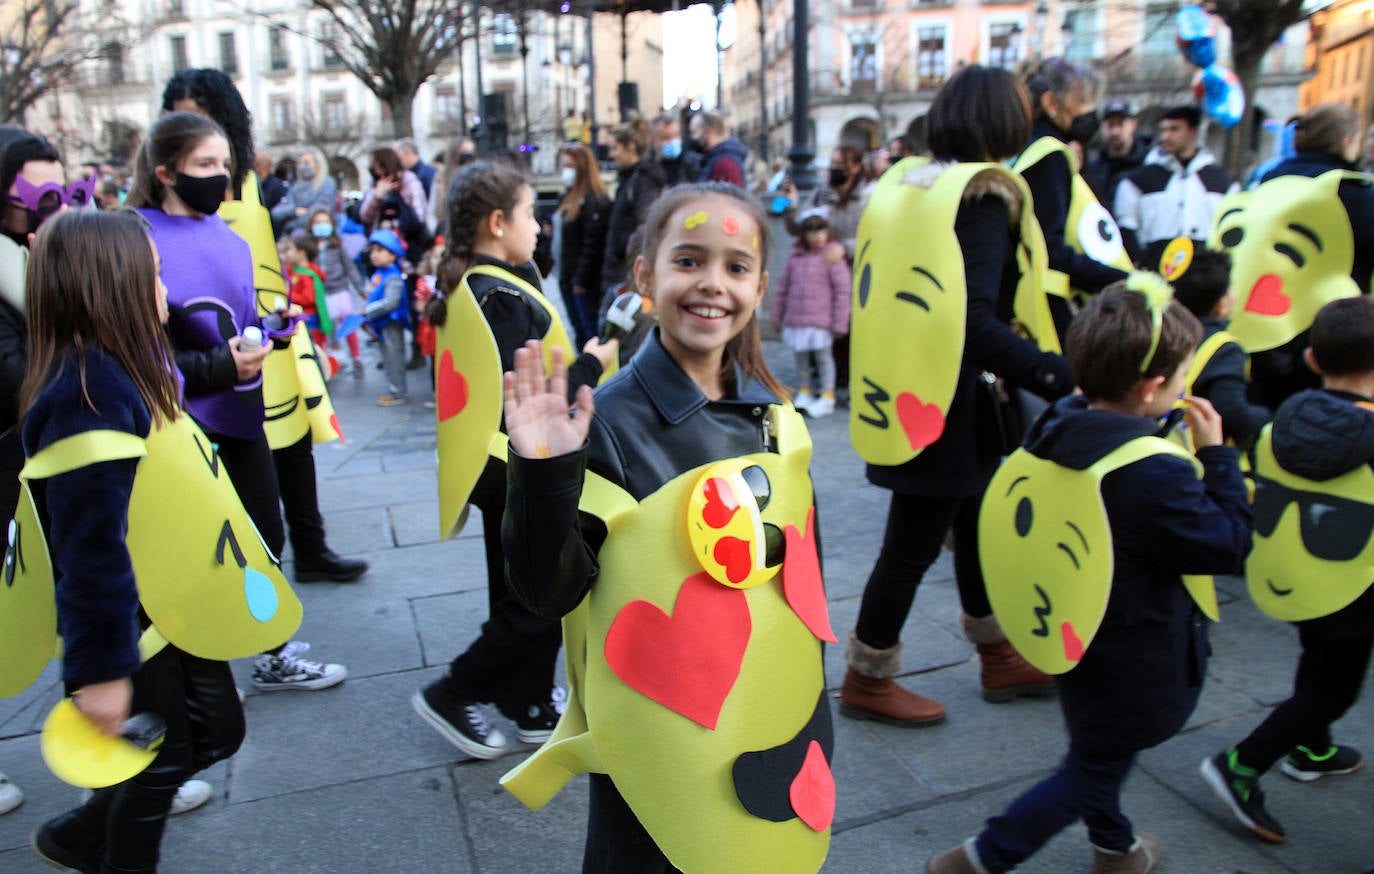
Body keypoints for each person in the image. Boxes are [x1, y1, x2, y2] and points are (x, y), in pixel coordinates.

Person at [499, 182, 832, 872]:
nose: (713, 284)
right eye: (689, 260)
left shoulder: (775, 416)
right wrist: (542, 476)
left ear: (760, 286)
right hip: (655, 734)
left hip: (756, 717)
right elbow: (545, 590)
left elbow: (801, 591)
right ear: (646, 276)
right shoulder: (607, 422)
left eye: (736, 267)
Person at [927, 283, 1252, 874]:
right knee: (1093, 766)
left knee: (1098, 751)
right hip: (1141, 651)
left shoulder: (1057, 424)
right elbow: (1227, 544)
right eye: (1180, 377)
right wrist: (1218, 457)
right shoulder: (1153, 473)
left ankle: (1115, 848)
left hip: (1078, 633)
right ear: (1152, 387)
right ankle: (981, 858)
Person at [844, 66, 1075, 725]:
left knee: (973, 526)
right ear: (1008, 121)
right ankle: (869, 675)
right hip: (945, 403)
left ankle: (998, 655)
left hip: (914, 387)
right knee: (911, 546)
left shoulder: (916, 185)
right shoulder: (980, 197)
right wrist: (1055, 373)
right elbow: (973, 320)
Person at [23, 209, 246, 873]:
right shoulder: (86, 395)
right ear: (109, 287)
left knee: (218, 732)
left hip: (171, 600)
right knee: (159, 764)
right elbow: (90, 550)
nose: (165, 293)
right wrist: (100, 671)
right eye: (153, 277)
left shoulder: (121, 369)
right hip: (132, 627)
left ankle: (82, 834)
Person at [127, 111, 348, 691]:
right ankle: (192, 670)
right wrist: (222, 364)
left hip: (242, 417)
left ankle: (271, 652)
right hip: (180, 427)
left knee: (264, 535)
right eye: (204, 165)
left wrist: (272, 328)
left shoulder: (229, 236)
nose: (219, 177)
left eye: (224, 164)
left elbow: (241, 320)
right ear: (166, 172)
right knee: (194, 552)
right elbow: (140, 353)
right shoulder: (132, 237)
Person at [412, 161, 616, 760]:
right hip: (518, 465)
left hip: (492, 464)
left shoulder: (476, 284)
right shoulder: (501, 296)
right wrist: (595, 362)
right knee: (539, 598)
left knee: (517, 588)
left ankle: (527, 700)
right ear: (499, 223)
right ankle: (455, 691)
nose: (541, 227)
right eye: (531, 214)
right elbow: (532, 396)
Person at [162, 67, 367, 587]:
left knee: (295, 446)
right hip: (213, 344)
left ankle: (312, 548)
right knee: (242, 457)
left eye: (200, 115)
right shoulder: (173, 201)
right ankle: (248, 577)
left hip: (272, 327)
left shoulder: (248, 182)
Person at [1201, 296, 1374, 846]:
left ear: (1313, 360)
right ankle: (1241, 764)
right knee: (1335, 689)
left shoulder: (1277, 425)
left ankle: (1311, 749)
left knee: (1319, 657)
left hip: (1290, 577)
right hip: (1353, 586)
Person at [1016, 58, 1130, 340]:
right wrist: (1119, 279)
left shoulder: (1026, 146)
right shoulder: (1050, 154)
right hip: (1049, 304)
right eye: (1082, 100)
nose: (1090, 111)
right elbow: (1050, 248)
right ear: (1051, 102)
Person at [1167, 243, 1272, 449]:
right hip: (1203, 454)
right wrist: (1267, 417)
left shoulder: (1160, 329)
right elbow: (1232, 411)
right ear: (1222, 305)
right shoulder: (1225, 348)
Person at [1114, 105, 1238, 267]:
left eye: (1174, 129)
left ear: (1193, 132)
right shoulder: (1138, 180)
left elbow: (1230, 228)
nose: (1166, 136)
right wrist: (1140, 261)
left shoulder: (1221, 181)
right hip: (1155, 269)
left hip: (1205, 271)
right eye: (1163, 130)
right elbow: (1126, 226)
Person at [769, 207, 851, 418]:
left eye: (822, 231)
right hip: (797, 320)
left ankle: (827, 396)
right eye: (813, 232)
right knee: (802, 359)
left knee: (824, 359)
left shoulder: (832, 257)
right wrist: (777, 316)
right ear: (804, 234)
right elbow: (783, 288)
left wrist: (840, 323)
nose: (818, 237)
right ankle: (805, 391)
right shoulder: (795, 257)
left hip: (821, 321)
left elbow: (843, 291)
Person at [601, 115, 668, 315]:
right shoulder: (630, 178)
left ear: (630, 146)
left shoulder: (642, 180)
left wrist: (621, 250)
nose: (612, 154)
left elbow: (646, 224)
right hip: (621, 268)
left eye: (615, 148)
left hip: (626, 270)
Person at [558, 143, 611, 348]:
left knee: (590, 333)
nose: (566, 171)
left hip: (582, 282)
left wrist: (580, 280)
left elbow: (592, 245)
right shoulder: (568, 196)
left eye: (570, 166)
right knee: (579, 331)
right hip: (567, 277)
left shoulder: (594, 200)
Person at [309, 208, 366, 379]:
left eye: (325, 222)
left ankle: (356, 358)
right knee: (328, 328)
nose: (322, 226)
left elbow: (350, 268)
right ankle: (334, 359)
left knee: (348, 327)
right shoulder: (309, 247)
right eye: (318, 222)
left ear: (332, 225)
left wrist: (361, 289)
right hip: (321, 294)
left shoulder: (337, 245)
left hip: (339, 291)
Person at [364, 228, 410, 406]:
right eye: (373, 250)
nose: (374, 255)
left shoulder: (393, 277)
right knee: (387, 355)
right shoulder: (379, 273)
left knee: (394, 356)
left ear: (393, 254)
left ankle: (398, 391)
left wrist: (367, 310)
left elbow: (390, 302)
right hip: (382, 322)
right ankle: (394, 389)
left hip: (392, 322)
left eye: (380, 250)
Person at [1086, 99, 1152, 214]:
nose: (1115, 131)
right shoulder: (1094, 168)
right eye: (1110, 125)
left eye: (1120, 124)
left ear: (1133, 125)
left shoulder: (1148, 163)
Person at [271, 147, 336, 237]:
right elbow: (277, 213)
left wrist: (290, 221)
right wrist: (294, 211)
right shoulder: (295, 186)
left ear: (318, 164)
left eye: (306, 163)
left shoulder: (327, 183)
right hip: (292, 236)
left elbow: (319, 214)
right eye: (300, 163)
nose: (302, 166)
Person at [284, 232, 332, 346]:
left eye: (290, 249)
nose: (287, 253)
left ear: (301, 253)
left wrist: (287, 294)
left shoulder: (307, 276)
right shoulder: (292, 270)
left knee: (311, 346)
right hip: (298, 314)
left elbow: (308, 298)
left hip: (309, 318)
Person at [690, 110, 748, 187]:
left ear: (708, 131)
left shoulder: (724, 163)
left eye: (694, 132)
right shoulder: (716, 158)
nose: (693, 138)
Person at [652, 111, 702, 186]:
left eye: (676, 135)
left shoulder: (694, 165)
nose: (672, 141)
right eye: (666, 137)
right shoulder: (646, 170)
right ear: (653, 141)